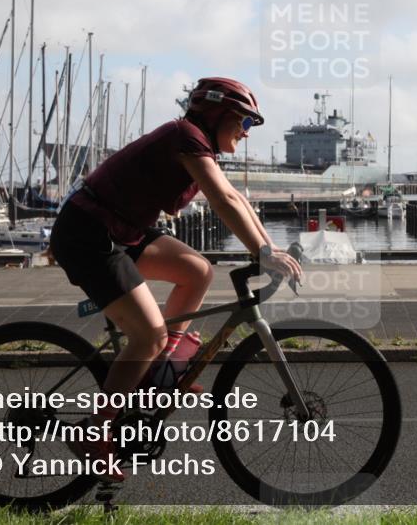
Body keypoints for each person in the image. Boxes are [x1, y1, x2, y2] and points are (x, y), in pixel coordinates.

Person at [49, 77, 303, 481]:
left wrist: (270, 250)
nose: (246, 132)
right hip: (88, 233)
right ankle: (94, 431)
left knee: (197, 271)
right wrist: (264, 254)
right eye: (244, 122)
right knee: (149, 334)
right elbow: (222, 201)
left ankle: (160, 370)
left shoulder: (199, 146)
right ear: (217, 113)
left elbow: (237, 199)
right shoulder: (184, 135)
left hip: (120, 230)